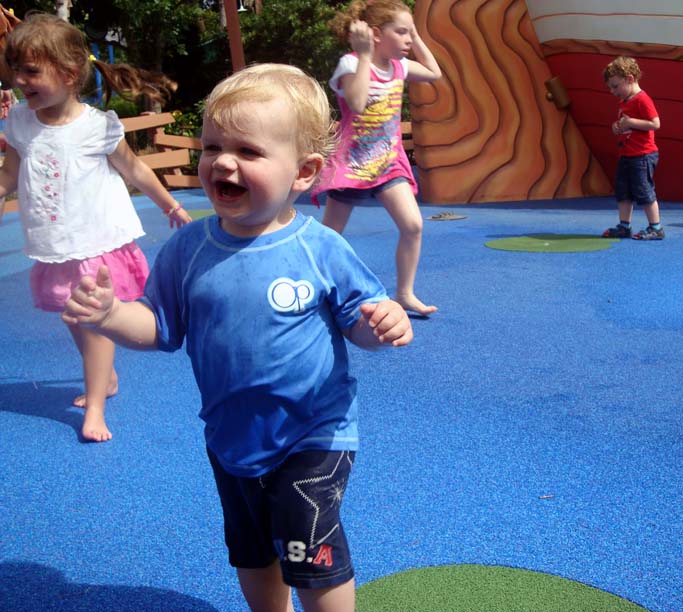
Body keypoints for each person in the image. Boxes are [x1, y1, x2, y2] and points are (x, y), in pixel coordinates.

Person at [62, 63, 414, 612]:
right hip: (231, 438)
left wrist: (381, 324)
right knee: (252, 553)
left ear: (303, 173)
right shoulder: (188, 249)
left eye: (249, 152)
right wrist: (110, 315)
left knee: (310, 548)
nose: (223, 161)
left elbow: (358, 321)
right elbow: (159, 329)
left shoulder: (320, 248)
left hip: (314, 434)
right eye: (211, 147)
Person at [0, 13, 192, 442]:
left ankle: (96, 408)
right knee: (72, 316)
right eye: (16, 69)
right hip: (54, 244)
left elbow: (135, 169)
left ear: (69, 74)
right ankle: (104, 378)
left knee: (93, 320)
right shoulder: (20, 124)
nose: (19, 79)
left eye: (31, 70)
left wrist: (171, 205)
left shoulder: (96, 126)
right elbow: (9, 176)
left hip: (96, 241)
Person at [315, 0, 442, 315]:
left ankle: (404, 292)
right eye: (401, 32)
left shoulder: (400, 67)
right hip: (353, 164)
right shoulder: (351, 64)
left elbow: (434, 73)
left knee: (413, 225)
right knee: (330, 236)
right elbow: (357, 103)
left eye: (409, 32)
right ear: (375, 34)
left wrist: (415, 32)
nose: (408, 40)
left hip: (388, 163)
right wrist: (365, 56)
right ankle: (315, 287)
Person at [600, 56, 664, 241]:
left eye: (615, 86)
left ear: (629, 79)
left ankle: (656, 227)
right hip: (627, 153)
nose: (613, 91)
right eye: (610, 87)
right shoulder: (625, 101)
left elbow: (655, 123)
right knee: (623, 191)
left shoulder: (642, 99)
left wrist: (631, 122)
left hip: (642, 154)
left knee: (643, 190)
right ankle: (624, 225)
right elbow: (627, 125)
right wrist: (618, 126)